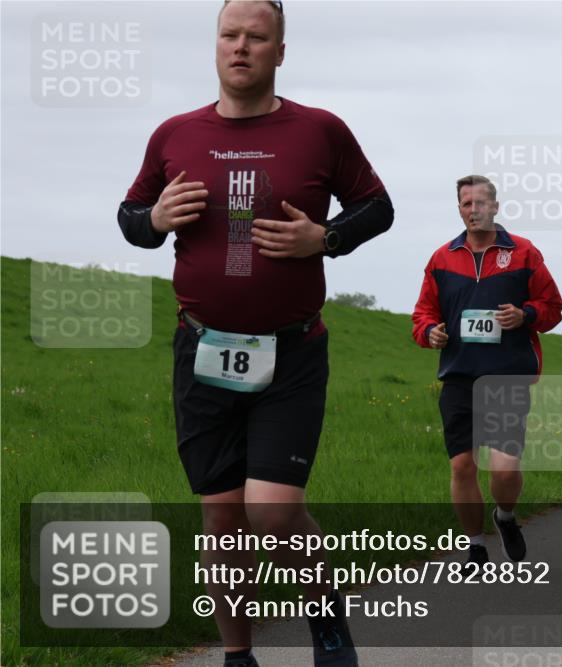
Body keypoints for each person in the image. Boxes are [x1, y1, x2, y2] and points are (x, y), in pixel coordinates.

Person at [117, 2, 393, 665]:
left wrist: (325, 238)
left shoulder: (320, 130)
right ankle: (238, 654)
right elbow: (130, 216)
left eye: (256, 37)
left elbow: (377, 207)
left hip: (290, 352)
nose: (240, 47)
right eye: (229, 35)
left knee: (271, 513)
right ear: (215, 46)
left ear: (280, 51)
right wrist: (153, 218)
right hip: (203, 349)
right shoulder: (175, 134)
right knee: (221, 519)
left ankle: (326, 620)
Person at [411, 175, 562, 573]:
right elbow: (422, 313)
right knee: (462, 466)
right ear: (459, 209)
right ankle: (475, 547)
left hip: (507, 377)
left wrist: (525, 314)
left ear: (495, 207)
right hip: (460, 376)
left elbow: (552, 306)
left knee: (504, 468)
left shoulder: (524, 253)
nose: (473, 210)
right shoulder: (441, 259)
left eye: (480, 203)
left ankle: (505, 516)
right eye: (466, 204)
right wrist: (431, 332)